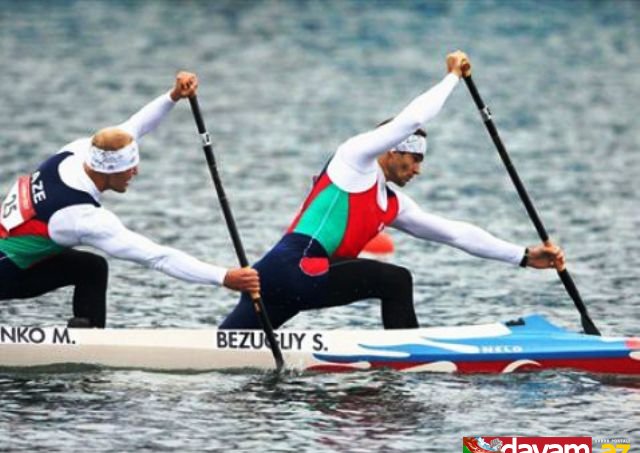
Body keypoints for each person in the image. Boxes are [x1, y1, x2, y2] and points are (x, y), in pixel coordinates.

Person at [221, 51, 565, 331]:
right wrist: (453, 78)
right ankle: (409, 360)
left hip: (282, 277)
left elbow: (456, 234)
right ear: (391, 150)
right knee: (396, 281)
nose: (418, 169)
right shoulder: (354, 160)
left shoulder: (393, 205)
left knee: (227, 346)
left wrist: (521, 255)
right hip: (293, 267)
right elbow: (410, 120)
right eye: (413, 159)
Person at [0, 72, 259, 328]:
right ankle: (86, 347)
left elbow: (136, 124)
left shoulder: (77, 151)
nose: (135, 172)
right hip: (6, 272)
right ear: (109, 171)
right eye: (130, 168)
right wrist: (224, 277)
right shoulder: (82, 217)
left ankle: (86, 341)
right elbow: (158, 257)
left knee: (92, 268)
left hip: (16, 256)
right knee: (90, 268)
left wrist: (174, 96)